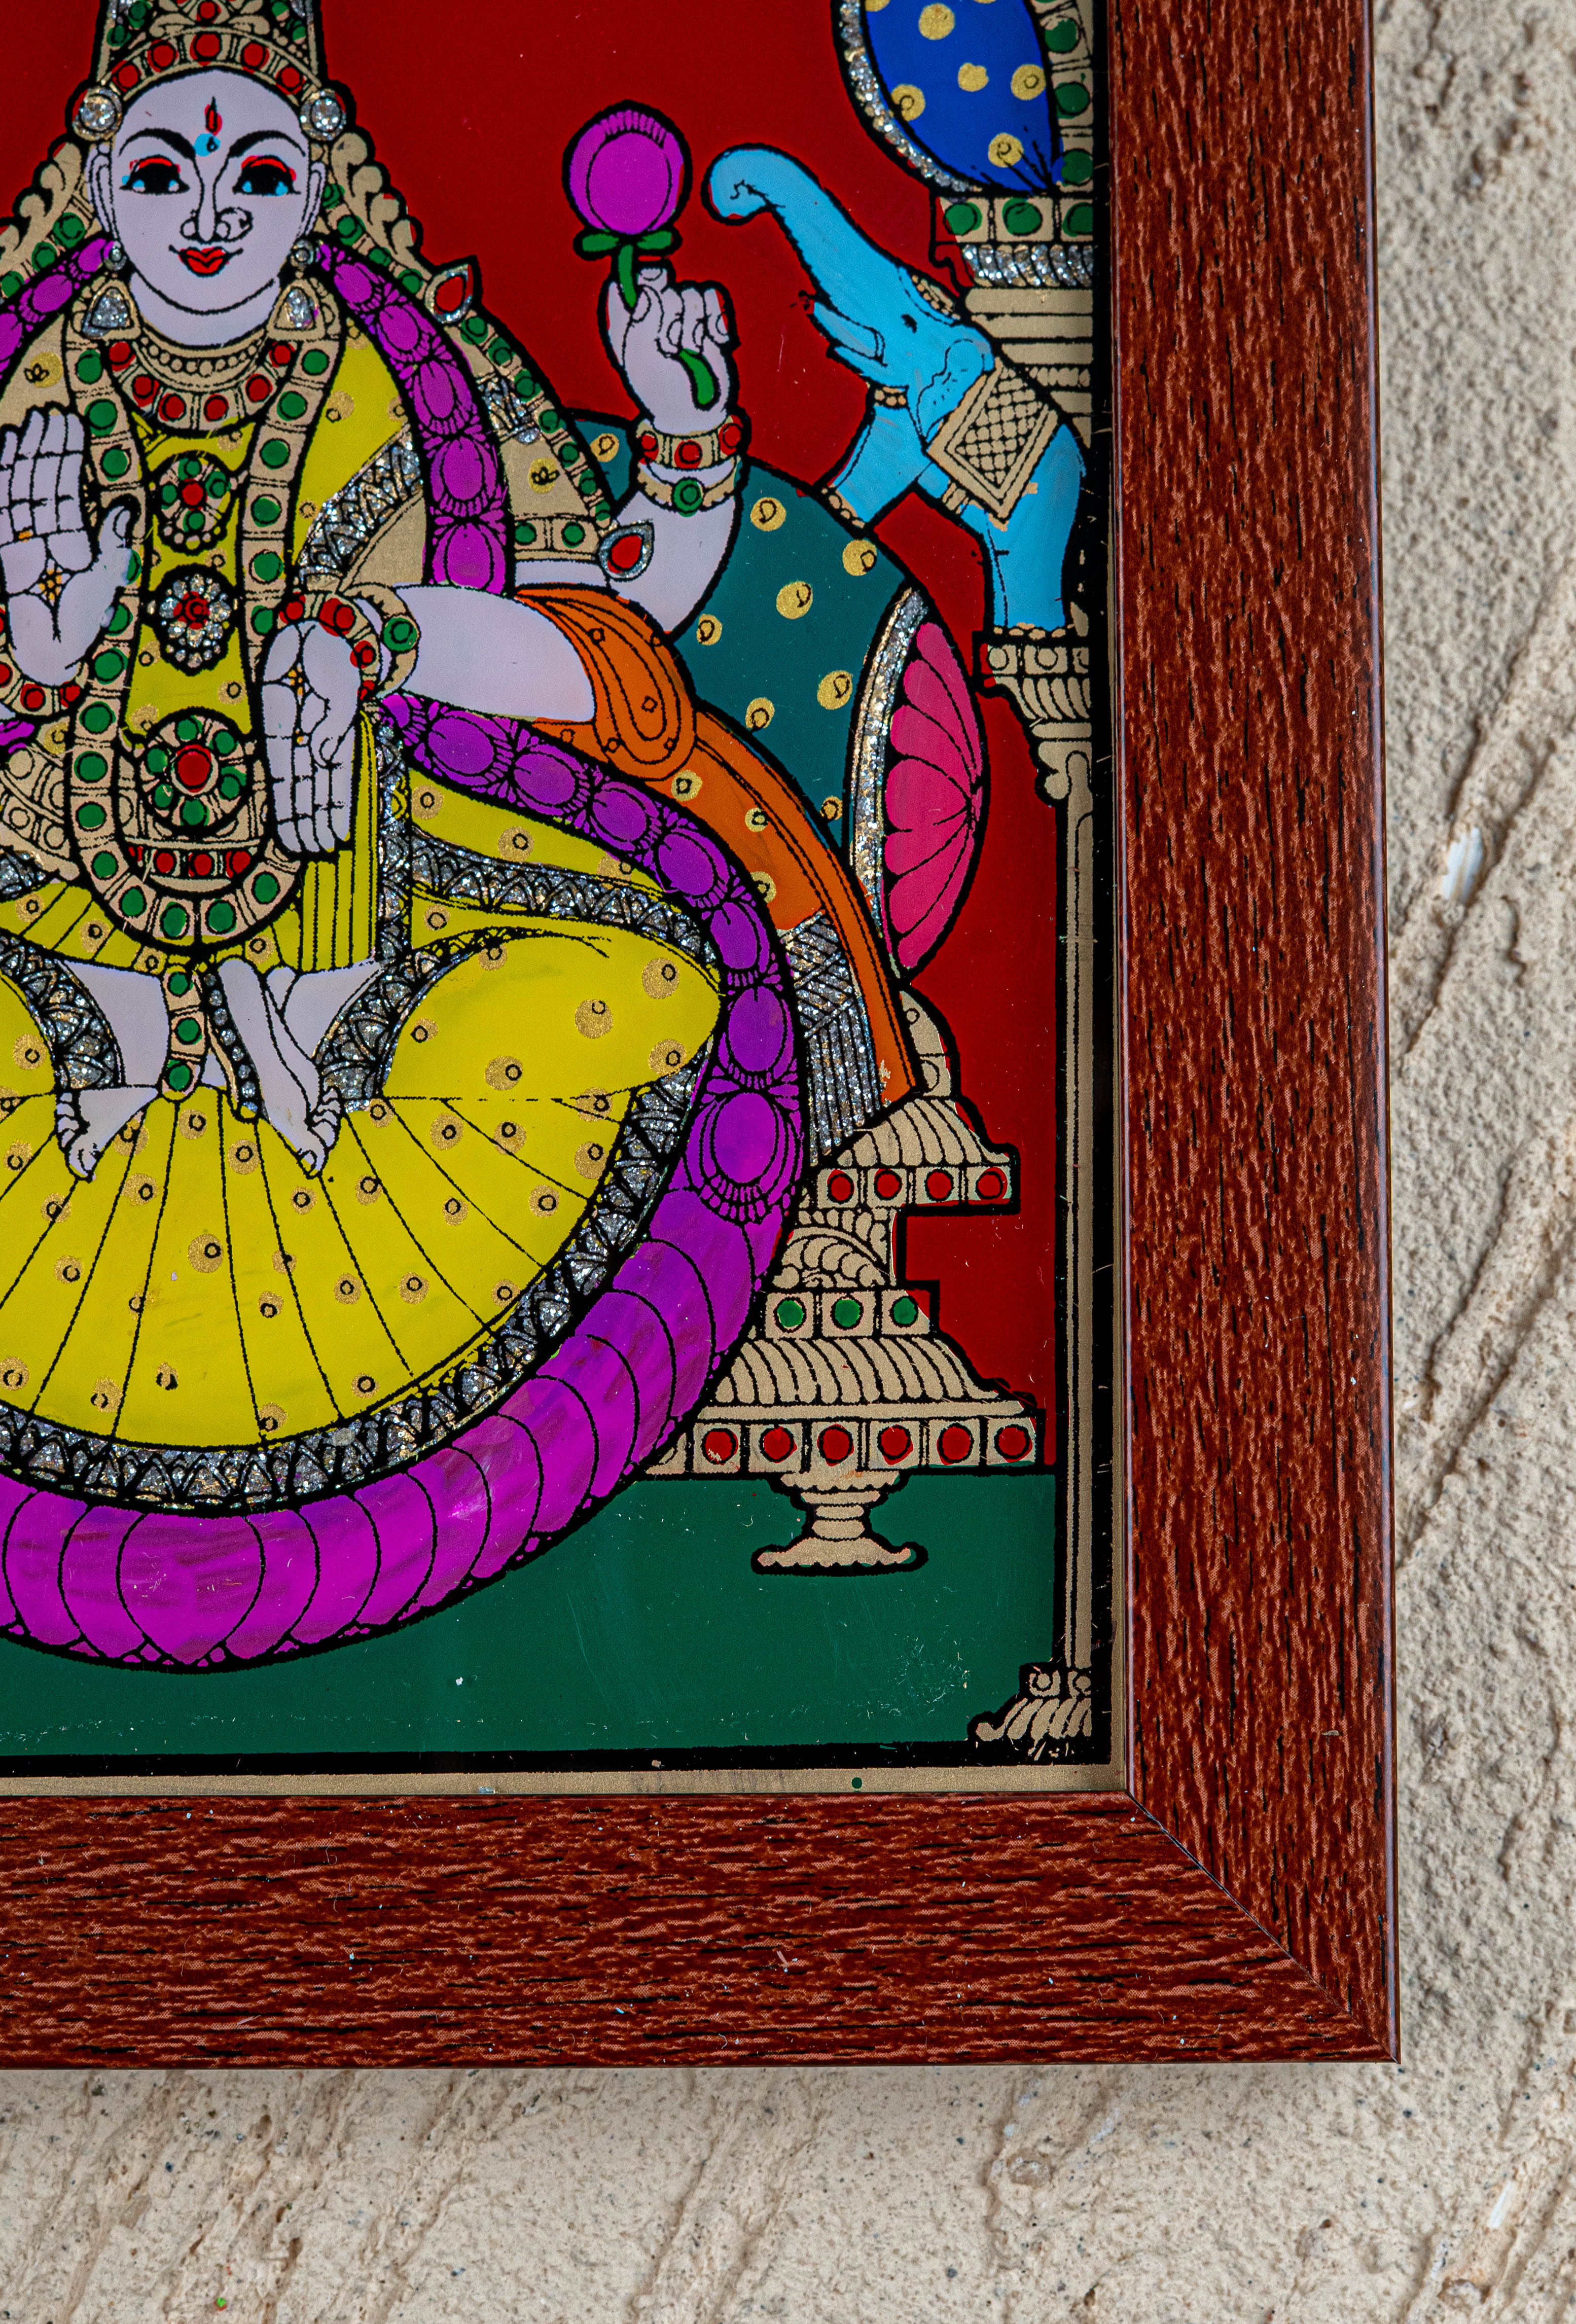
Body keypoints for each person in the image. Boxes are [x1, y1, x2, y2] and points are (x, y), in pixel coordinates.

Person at [0, 0, 907, 1482]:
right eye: (163, 173)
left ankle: (317, 1020)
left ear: (320, 174)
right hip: (58, 882)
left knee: (668, 983)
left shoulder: (409, 375)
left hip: (374, 888)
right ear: (98, 179)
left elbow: (606, 622)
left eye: (257, 174)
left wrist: (682, 447)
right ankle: (131, 1015)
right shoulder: (30, 379)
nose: (210, 218)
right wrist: (45, 638)